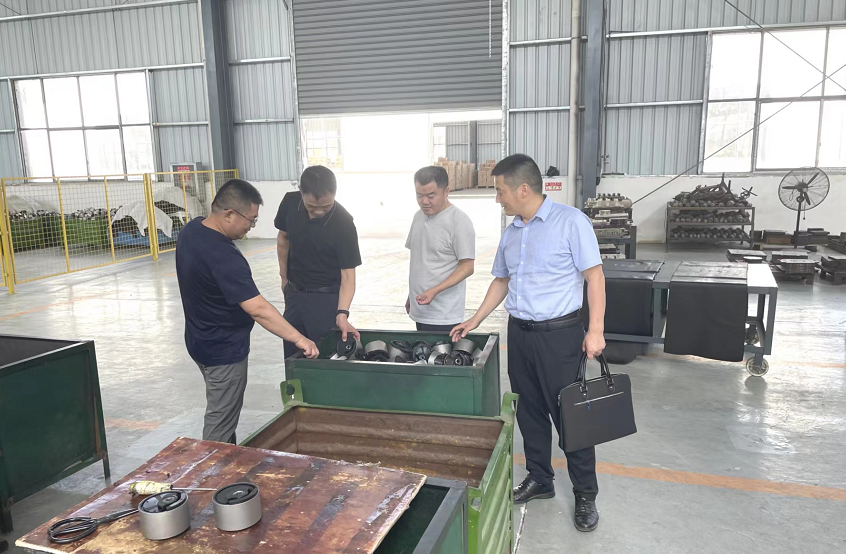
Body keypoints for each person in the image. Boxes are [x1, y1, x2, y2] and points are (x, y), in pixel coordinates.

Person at [450, 154, 606, 532]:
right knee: (530, 412)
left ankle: (585, 493)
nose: (497, 199)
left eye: (500, 191)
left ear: (523, 189)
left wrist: (596, 330)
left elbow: (595, 277)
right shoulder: (512, 232)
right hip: (520, 334)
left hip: (560, 336)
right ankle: (540, 478)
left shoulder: (571, 222)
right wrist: (475, 319)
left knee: (570, 417)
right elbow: (502, 280)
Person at [176, 179, 319, 445]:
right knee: (220, 423)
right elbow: (258, 309)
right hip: (223, 352)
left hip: (198, 340)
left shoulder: (192, 230)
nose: (250, 227)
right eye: (251, 220)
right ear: (229, 214)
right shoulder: (224, 255)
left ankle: (225, 456)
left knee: (224, 410)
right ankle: (214, 466)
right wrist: (299, 338)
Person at [275, 166, 361, 358]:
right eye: (312, 207)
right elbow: (283, 238)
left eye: (326, 206)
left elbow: (348, 275)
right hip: (294, 295)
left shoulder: (344, 223)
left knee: (323, 355)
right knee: (293, 354)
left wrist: (342, 313)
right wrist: (284, 277)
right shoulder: (290, 202)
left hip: (325, 299)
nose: (319, 212)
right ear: (301, 192)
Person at [405, 166, 476, 332]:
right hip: (419, 309)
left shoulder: (459, 221)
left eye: (431, 196)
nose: (424, 201)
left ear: (446, 191)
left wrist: (434, 291)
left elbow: (467, 267)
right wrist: (411, 295)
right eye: (419, 195)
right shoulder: (418, 217)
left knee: (440, 350)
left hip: (444, 314)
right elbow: (420, 261)